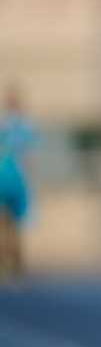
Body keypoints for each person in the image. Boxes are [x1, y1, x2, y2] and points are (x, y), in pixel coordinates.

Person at [0, 85, 37, 277]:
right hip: (7, 178)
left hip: (14, 179)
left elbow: (29, 155)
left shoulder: (19, 126)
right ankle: (9, 261)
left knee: (14, 223)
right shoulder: (8, 125)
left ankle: (15, 262)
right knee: (7, 223)